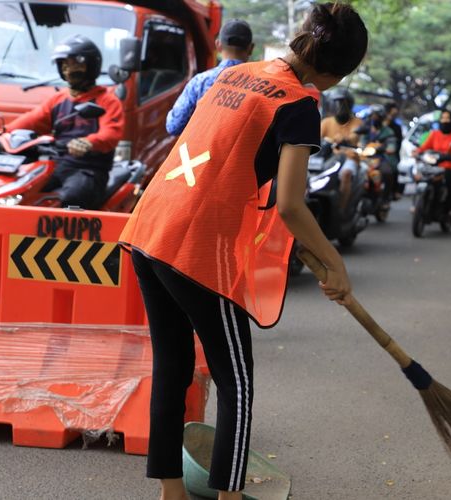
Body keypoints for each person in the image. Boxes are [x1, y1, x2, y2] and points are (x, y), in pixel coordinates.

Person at [118, 4, 368, 500]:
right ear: (337, 70)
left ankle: (172, 492)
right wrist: (335, 262)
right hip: (195, 245)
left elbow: (263, 191)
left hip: (149, 226)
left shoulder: (237, 75)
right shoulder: (300, 102)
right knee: (237, 382)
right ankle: (230, 496)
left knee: (172, 365)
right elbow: (295, 204)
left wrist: (310, 252)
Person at [0, 35, 124, 209]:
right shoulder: (58, 99)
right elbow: (31, 120)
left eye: (74, 64)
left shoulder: (107, 100)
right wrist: (0, 134)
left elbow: (111, 133)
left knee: (71, 197)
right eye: (64, 64)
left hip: (89, 170)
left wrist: (88, 143)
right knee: (24, 189)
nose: (68, 69)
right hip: (57, 164)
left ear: (90, 66)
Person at [165, 19, 254, 136]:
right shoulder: (260, 85)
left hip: (202, 153)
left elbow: (174, 126)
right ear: (251, 48)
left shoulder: (200, 82)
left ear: (218, 45)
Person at [412, 109, 451, 215]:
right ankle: (417, 203)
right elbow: (424, 147)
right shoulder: (434, 134)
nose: (445, 121)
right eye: (443, 118)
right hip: (433, 164)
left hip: (448, 166)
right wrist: (416, 152)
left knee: (450, 181)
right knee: (420, 175)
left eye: (447, 118)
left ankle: (450, 208)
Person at [320, 87, 363, 209]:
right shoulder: (326, 122)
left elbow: (355, 137)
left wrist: (345, 139)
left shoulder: (357, 122)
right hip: (328, 156)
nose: (340, 107)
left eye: (344, 104)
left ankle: (342, 208)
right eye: (337, 103)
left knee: (346, 173)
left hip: (349, 157)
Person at [359, 104, 398, 201]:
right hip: (365, 158)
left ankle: (385, 198)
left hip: (381, 158)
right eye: (372, 116)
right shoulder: (366, 130)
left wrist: (385, 148)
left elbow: (392, 145)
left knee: (387, 172)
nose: (374, 118)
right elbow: (361, 141)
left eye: (376, 116)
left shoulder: (388, 131)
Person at [382, 101, 405, 197]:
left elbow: (397, 144)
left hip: (391, 154)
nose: (392, 116)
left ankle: (392, 192)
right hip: (374, 153)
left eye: (394, 114)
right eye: (390, 114)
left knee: (392, 169)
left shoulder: (396, 127)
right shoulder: (377, 125)